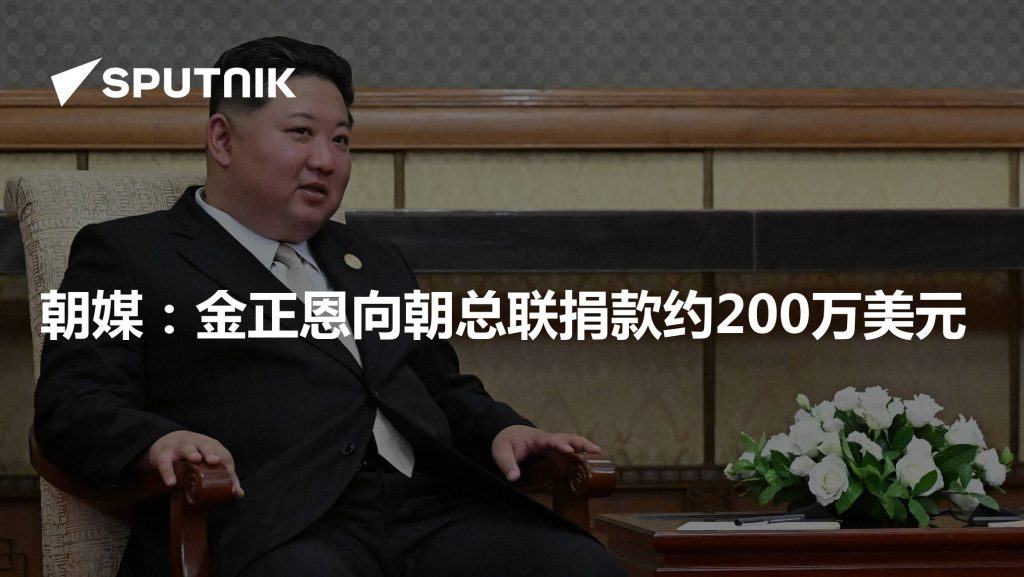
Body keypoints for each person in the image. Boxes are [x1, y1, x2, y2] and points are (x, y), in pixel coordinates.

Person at [33, 36, 625, 577]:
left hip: (430, 509)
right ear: (223, 139)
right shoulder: (126, 254)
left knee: (581, 567)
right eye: (301, 133)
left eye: (340, 140)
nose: (326, 159)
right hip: (271, 523)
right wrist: (157, 442)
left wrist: (504, 429)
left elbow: (441, 386)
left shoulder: (376, 260)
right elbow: (71, 406)